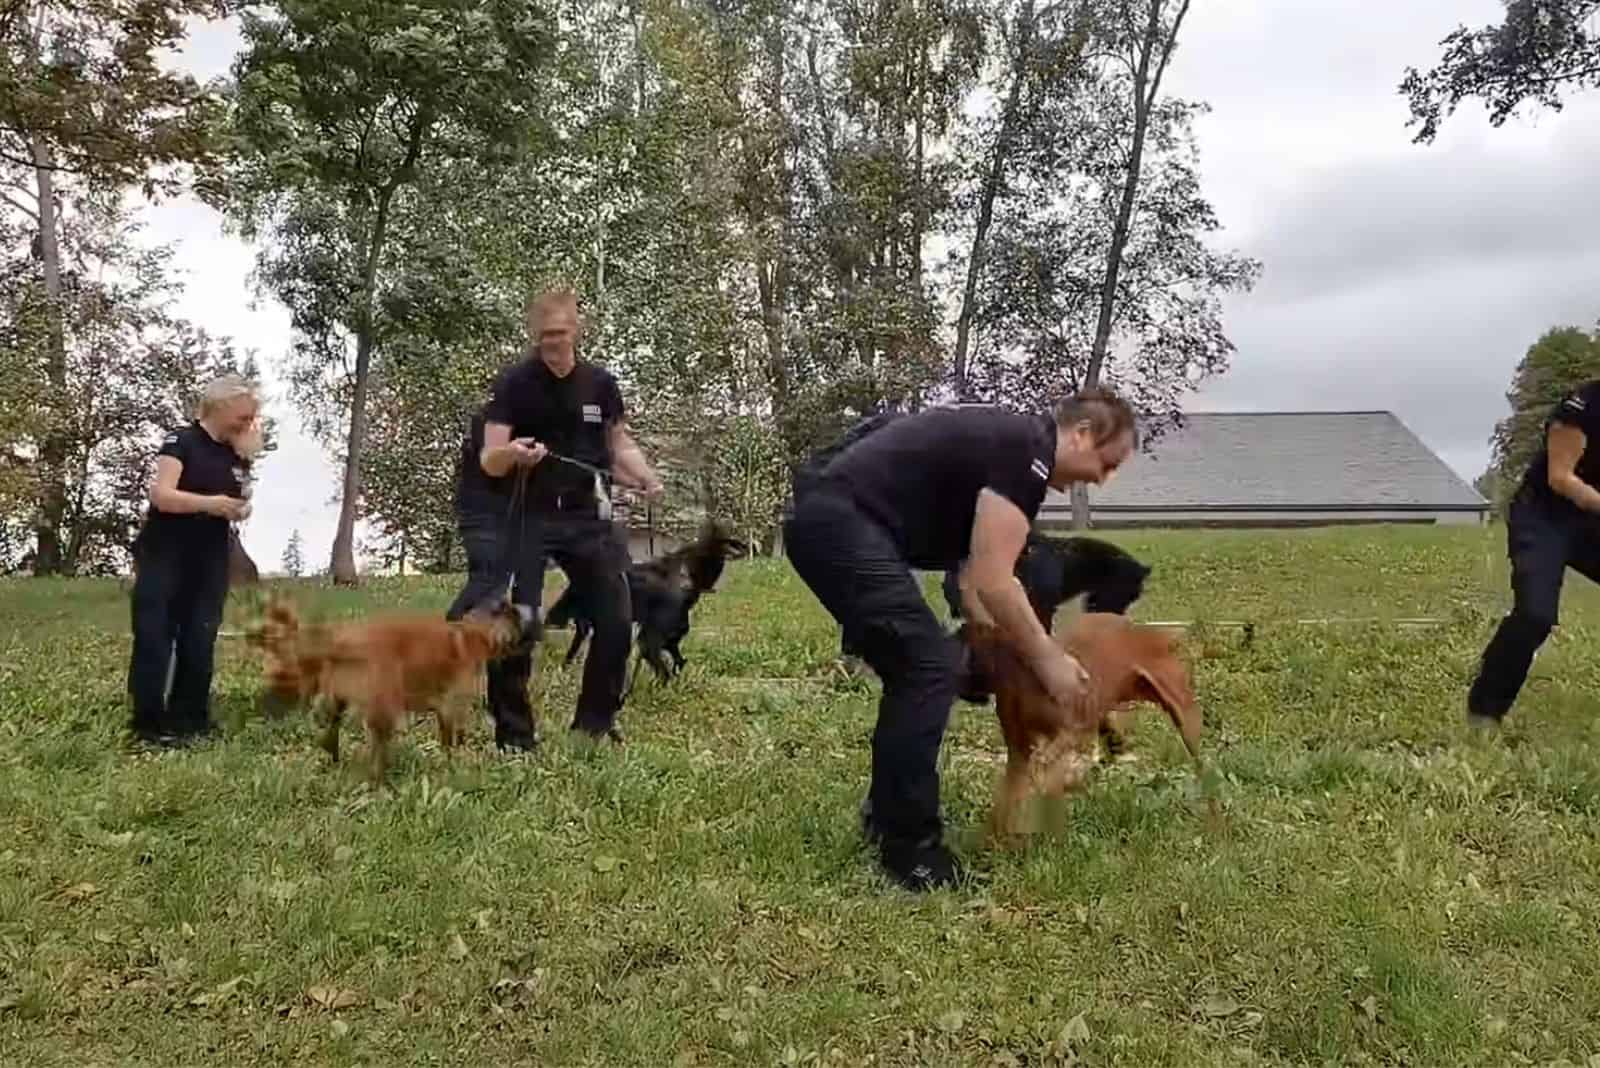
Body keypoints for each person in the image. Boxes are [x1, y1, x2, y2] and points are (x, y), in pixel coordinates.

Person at [783, 389, 1138, 891]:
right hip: (840, 524)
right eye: (1108, 462)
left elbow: (974, 583)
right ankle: (912, 854)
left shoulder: (1011, 446)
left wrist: (1009, 656)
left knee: (922, 666)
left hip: (834, 522)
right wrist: (1049, 660)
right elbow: (997, 580)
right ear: (1082, 434)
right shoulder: (1027, 451)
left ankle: (887, 817)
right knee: (927, 668)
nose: (1104, 478)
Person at [475, 288, 663, 748]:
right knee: (518, 624)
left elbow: (619, 446)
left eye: (559, 334)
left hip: (585, 516)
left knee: (616, 619)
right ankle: (514, 738)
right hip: (525, 516)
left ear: (576, 330)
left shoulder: (600, 385)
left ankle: (593, 727)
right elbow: (488, 457)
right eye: (543, 338)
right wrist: (512, 453)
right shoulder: (514, 384)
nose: (552, 345)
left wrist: (646, 477)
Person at [127, 374, 262, 748]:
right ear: (221, 405)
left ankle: (191, 718)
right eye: (244, 414)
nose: (248, 421)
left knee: (199, 638)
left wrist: (238, 507)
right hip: (166, 552)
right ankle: (149, 725)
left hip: (210, 555)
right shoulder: (180, 441)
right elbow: (162, 496)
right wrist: (211, 504)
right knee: (155, 636)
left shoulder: (235, 453)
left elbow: (237, 499)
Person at [1467, 379, 1600, 728]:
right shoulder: (1583, 406)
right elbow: (1560, 477)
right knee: (1535, 614)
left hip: (1593, 522)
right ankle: (1484, 712)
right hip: (1543, 518)